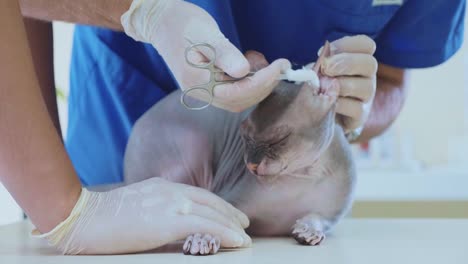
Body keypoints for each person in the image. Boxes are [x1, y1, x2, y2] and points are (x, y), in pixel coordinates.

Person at [1, 0, 462, 255]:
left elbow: (394, 81)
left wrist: (346, 114)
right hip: (111, 163)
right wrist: (54, 201)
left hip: (284, 217)